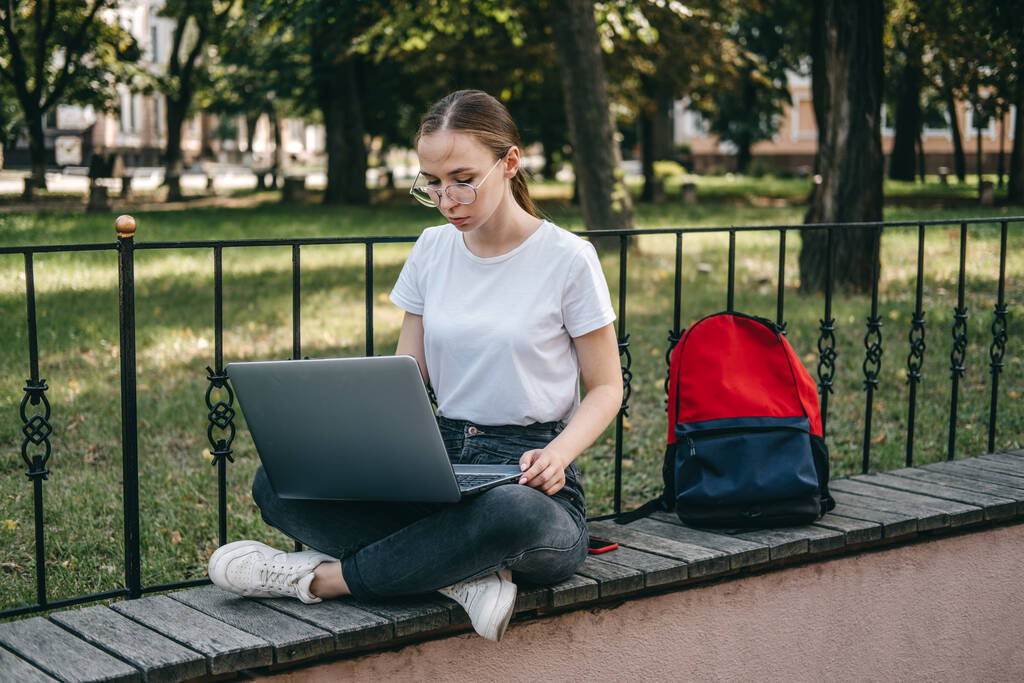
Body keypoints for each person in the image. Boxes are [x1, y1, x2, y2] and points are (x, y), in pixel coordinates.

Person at [207, 89, 622, 642]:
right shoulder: (431, 249)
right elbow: (408, 373)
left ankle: (317, 579)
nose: (448, 198)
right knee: (279, 485)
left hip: (529, 480)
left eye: (462, 177)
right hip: (438, 466)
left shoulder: (568, 258)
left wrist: (558, 454)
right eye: (432, 182)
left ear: (511, 162)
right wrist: (356, 436)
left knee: (508, 519)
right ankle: (460, 573)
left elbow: (606, 387)